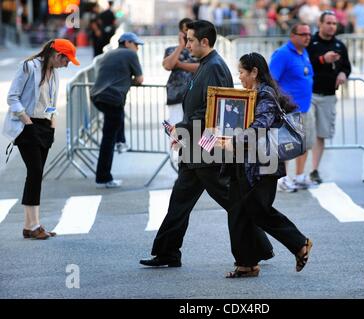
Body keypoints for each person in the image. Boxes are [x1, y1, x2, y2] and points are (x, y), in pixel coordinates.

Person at [139, 20, 274, 268]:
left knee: (231, 200)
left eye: (190, 40)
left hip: (205, 146)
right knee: (180, 201)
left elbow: (214, 112)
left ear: (204, 41)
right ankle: (167, 252)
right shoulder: (205, 65)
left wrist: (182, 129)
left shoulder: (214, 67)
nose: (187, 44)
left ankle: (262, 247)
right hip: (195, 145)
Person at [216, 52, 313, 278]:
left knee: (258, 210)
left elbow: (260, 126)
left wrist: (234, 141)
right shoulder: (252, 94)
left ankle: (300, 243)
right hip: (245, 162)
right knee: (239, 212)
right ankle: (246, 264)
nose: (238, 76)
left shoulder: (265, 95)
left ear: (254, 72)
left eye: (241, 72)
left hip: (263, 164)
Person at [2, 39, 80, 239]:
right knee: (35, 172)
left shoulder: (53, 74)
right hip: (27, 126)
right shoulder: (28, 67)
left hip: (45, 127)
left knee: (36, 174)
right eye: (66, 60)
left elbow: (51, 101)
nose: (67, 64)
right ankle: (33, 224)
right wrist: (26, 120)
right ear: (57, 55)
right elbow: (12, 97)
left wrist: (52, 119)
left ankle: (30, 226)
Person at [90, 32, 144, 188]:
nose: (137, 49)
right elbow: (140, 79)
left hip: (97, 96)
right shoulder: (130, 55)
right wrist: (129, 81)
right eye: (136, 45)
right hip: (112, 97)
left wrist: (124, 80)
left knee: (117, 118)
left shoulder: (109, 54)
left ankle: (121, 141)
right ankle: (103, 177)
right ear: (127, 42)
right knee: (108, 139)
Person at [307, 10, 351, 184]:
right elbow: (305, 63)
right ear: (320, 24)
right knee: (306, 132)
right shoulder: (311, 42)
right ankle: (299, 170)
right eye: (329, 23)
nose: (332, 26)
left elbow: (347, 66)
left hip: (329, 95)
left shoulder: (340, 45)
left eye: (334, 23)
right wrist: (322, 60)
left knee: (321, 134)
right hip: (310, 94)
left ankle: (314, 170)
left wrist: (343, 74)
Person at [269, 23, 315, 192]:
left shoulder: (304, 52)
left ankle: (300, 176)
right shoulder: (282, 54)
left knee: (304, 143)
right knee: (286, 145)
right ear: (293, 35)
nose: (307, 37)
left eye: (309, 34)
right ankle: (283, 179)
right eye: (303, 34)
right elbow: (272, 79)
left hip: (305, 107)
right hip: (289, 110)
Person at [162, 18, 199, 126]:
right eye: (186, 30)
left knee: (195, 132)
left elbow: (202, 67)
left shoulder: (199, 50)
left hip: (196, 97)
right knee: (176, 131)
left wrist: (179, 64)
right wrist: (181, 46)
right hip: (176, 96)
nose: (188, 33)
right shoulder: (171, 50)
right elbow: (168, 65)